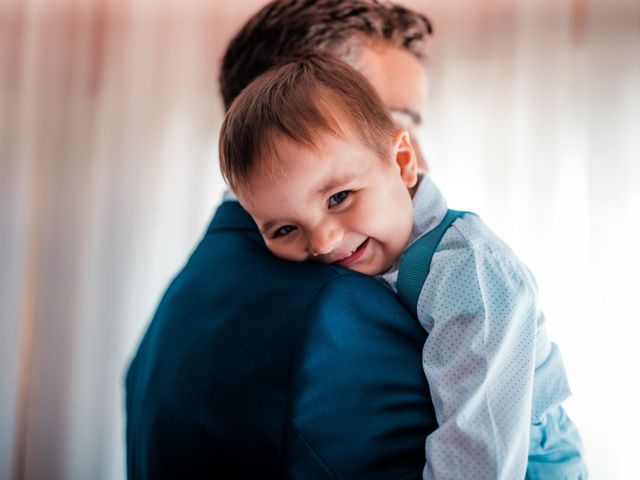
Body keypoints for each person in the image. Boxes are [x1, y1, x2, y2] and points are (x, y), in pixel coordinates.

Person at [218, 52, 588, 480]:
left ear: (402, 163)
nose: (321, 242)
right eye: (284, 228)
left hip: (531, 460)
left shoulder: (470, 272)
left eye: (339, 198)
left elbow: (479, 444)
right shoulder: (352, 253)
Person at [125, 1, 439, 478]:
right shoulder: (340, 309)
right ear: (285, 96)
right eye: (391, 120)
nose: (418, 160)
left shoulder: (180, 299)